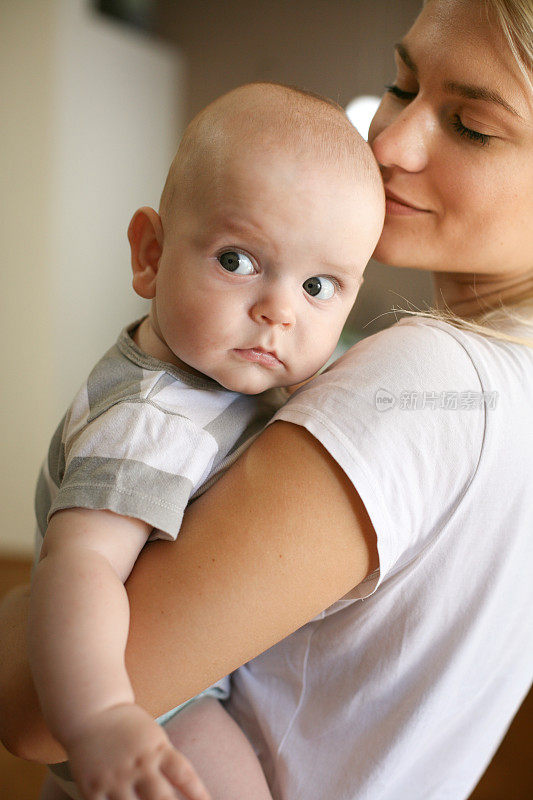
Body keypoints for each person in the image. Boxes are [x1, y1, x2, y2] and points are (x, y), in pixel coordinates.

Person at [0, 0, 532, 798]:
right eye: (400, 84)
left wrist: (20, 606)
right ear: (149, 254)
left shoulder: (427, 379)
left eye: (471, 126)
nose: (386, 141)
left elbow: (36, 708)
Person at [19, 83, 385, 800]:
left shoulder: (211, 378)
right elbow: (80, 567)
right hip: (153, 707)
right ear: (150, 255)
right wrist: (101, 721)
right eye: (236, 261)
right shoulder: (154, 419)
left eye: (317, 285)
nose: (277, 310)